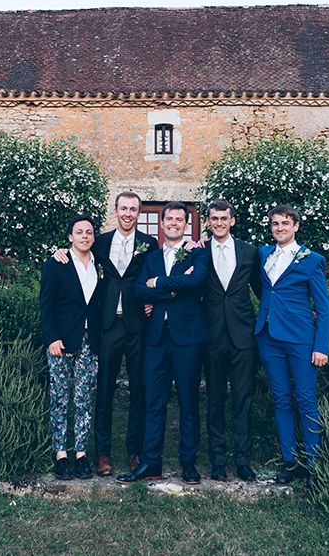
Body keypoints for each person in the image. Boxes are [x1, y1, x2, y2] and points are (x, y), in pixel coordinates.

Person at [53, 192, 156, 476]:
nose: (128, 213)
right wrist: (58, 251)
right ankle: (103, 454)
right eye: (123, 208)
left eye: (133, 209)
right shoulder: (101, 242)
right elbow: (78, 252)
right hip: (107, 324)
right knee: (105, 391)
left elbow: (157, 274)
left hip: (137, 325)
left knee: (138, 390)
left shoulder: (149, 244)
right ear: (116, 211)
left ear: (138, 213)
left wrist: (154, 300)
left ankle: (135, 452)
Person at [118, 201, 209, 485]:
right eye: (168, 219)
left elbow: (197, 283)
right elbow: (138, 290)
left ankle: (188, 463)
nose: (173, 223)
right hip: (156, 338)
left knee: (188, 401)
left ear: (186, 224)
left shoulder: (197, 254)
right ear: (162, 223)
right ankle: (150, 462)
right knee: (153, 402)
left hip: (187, 339)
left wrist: (159, 284)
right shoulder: (151, 257)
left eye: (179, 220)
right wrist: (172, 288)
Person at [254, 204, 329, 485]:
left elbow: (323, 308)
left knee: (307, 400)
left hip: (300, 340)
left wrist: (321, 346)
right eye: (275, 224)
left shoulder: (311, 260)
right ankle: (289, 460)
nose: (280, 228)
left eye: (285, 223)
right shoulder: (264, 254)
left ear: (296, 226)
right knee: (282, 399)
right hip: (269, 337)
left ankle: (313, 464)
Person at [201, 199, 261, 482]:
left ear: (232, 220)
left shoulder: (250, 252)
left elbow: (264, 291)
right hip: (212, 335)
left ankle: (243, 460)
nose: (219, 223)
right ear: (208, 221)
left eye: (224, 218)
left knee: (242, 399)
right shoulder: (199, 251)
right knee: (214, 400)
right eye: (214, 219)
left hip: (242, 336)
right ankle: (217, 461)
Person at [40, 214, 102, 480]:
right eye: (79, 232)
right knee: (60, 397)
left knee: (84, 398)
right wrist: (52, 337)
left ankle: (80, 454)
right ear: (70, 237)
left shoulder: (100, 263)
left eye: (89, 232)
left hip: (91, 340)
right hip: (62, 341)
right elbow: (46, 304)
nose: (85, 236)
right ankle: (61, 455)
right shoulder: (57, 264)